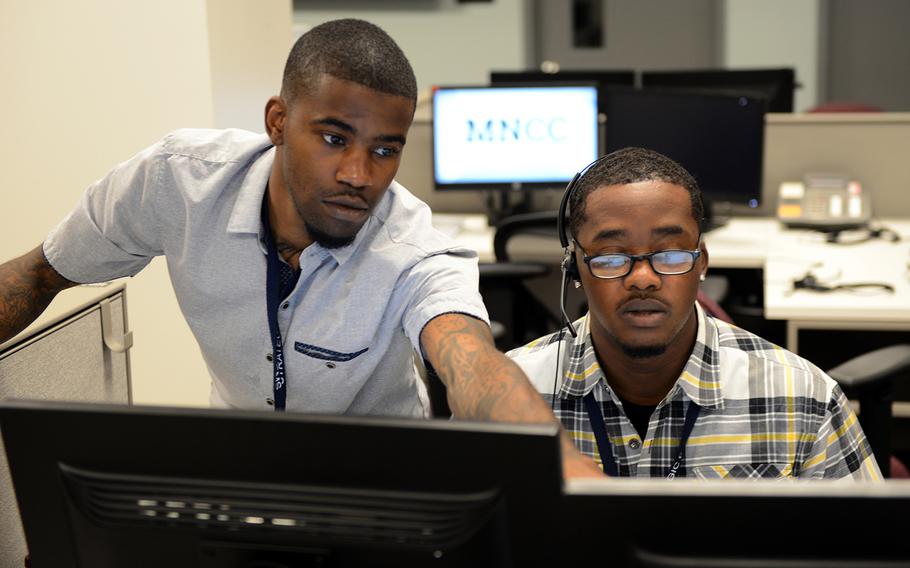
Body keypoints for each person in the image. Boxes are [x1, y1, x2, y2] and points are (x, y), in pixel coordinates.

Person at [0, 19, 599, 476]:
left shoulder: (412, 248)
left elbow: (473, 367)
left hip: (382, 481)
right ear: (278, 121)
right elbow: (39, 275)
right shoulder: (176, 183)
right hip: (243, 472)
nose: (359, 174)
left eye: (385, 149)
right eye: (334, 138)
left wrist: (570, 478)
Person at [507, 147, 881, 479]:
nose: (643, 279)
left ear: (701, 263)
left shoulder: (803, 399)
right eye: (612, 257)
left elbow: (867, 552)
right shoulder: (503, 396)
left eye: (670, 255)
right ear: (575, 268)